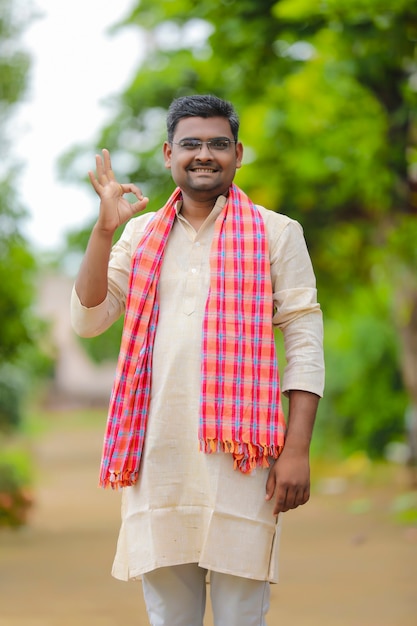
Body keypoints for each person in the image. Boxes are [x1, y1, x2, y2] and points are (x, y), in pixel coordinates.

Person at [71, 94, 324, 626]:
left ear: (238, 154)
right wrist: (104, 229)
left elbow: (304, 342)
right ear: (169, 154)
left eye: (218, 144)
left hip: (242, 465)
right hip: (157, 459)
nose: (203, 154)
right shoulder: (139, 237)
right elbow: (89, 318)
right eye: (191, 144)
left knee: (240, 617)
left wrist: (296, 448)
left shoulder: (277, 233)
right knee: (170, 618)